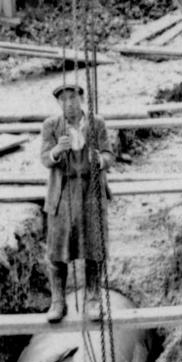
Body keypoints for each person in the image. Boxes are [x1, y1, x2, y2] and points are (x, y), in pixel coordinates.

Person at [40, 80, 114, 323]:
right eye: (63, 100)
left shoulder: (96, 123)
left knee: (94, 245)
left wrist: (99, 160)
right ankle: (58, 301)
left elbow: (108, 154)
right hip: (63, 192)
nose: (69, 104)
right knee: (58, 248)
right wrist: (57, 152)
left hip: (91, 190)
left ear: (80, 99)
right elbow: (45, 158)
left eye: (72, 98)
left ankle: (93, 298)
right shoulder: (51, 126)